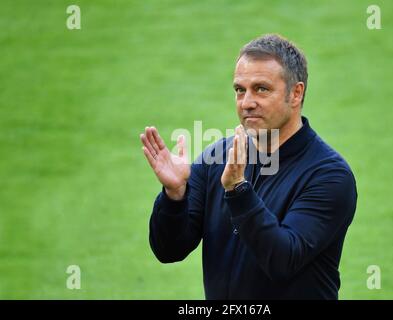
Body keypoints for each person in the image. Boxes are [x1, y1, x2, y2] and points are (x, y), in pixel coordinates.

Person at [140, 34, 357, 300]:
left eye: (261, 89)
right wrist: (174, 196)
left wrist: (238, 190)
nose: (246, 102)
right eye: (240, 90)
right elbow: (169, 250)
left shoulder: (329, 176)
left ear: (296, 93)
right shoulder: (217, 157)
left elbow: (282, 260)